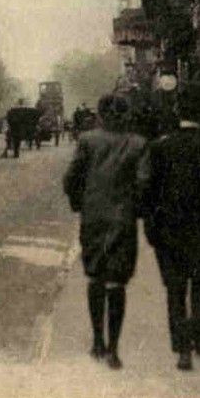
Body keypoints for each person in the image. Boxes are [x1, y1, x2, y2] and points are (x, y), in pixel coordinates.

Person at [137, 82, 200, 371]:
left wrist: (152, 230)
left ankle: (182, 349)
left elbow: (146, 194)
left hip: (170, 233)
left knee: (175, 291)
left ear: (177, 111)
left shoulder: (160, 148)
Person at [63, 94, 146, 369]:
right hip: (123, 220)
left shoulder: (87, 140)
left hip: (94, 218)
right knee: (117, 282)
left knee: (95, 277)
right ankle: (113, 349)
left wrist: (80, 204)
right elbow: (144, 184)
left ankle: (97, 340)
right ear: (126, 115)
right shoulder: (137, 143)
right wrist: (137, 210)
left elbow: (71, 178)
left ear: (100, 114)